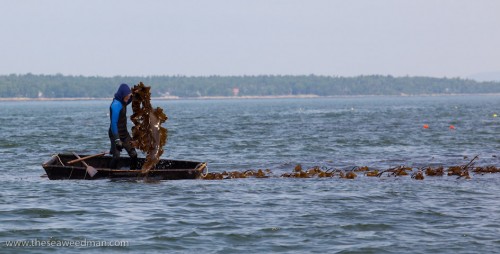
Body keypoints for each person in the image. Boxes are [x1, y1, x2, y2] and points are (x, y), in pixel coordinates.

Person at [108, 83, 138, 169]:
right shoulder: (115, 105)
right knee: (117, 157)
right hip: (115, 134)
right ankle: (111, 174)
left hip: (124, 134)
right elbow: (113, 124)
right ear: (122, 95)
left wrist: (135, 94)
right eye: (127, 96)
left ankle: (133, 173)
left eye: (129, 96)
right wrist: (117, 140)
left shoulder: (123, 101)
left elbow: (130, 99)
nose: (128, 98)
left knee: (134, 154)